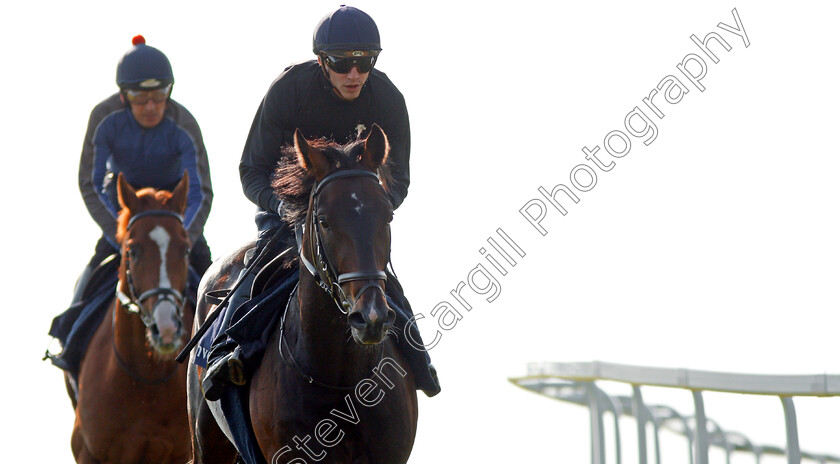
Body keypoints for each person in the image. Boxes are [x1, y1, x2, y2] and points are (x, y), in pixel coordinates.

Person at [201, 5, 439, 400]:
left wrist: (375, 210)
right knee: (257, 271)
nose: (355, 74)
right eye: (343, 63)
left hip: (355, 224)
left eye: (365, 63)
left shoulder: (388, 98)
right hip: (287, 218)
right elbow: (251, 171)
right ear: (321, 60)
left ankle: (417, 358)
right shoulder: (289, 90)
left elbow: (401, 180)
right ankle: (230, 349)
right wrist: (285, 211)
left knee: (382, 282)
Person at [75, 35, 214, 301]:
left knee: (208, 274)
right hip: (125, 207)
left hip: (171, 207)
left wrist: (183, 236)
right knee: (93, 273)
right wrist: (121, 234)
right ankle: (68, 334)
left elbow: (200, 192)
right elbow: (90, 182)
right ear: (124, 96)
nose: (151, 106)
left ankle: (225, 335)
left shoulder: (185, 123)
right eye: (140, 97)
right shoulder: (102, 117)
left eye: (159, 94)